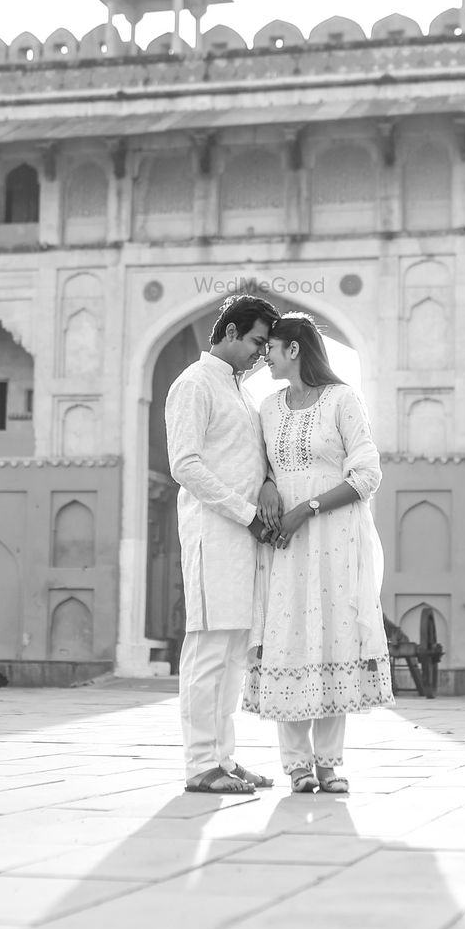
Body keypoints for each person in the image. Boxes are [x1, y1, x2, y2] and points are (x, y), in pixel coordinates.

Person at [244, 312, 393, 793]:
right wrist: (269, 485)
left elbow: (366, 476)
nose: (265, 355)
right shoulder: (267, 407)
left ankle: (328, 764)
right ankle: (297, 767)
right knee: (288, 640)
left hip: (333, 538)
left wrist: (305, 508)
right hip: (284, 544)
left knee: (331, 640)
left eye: (272, 347)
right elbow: (263, 464)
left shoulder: (343, 400)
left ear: (294, 350)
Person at [165, 294, 281, 795]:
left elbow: (250, 457)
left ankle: (223, 760)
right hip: (215, 533)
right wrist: (246, 513)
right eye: (256, 341)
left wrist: (269, 487)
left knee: (235, 650)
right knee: (209, 647)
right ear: (230, 333)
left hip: (245, 534)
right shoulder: (193, 384)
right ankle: (199, 764)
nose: (261, 353)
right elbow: (186, 466)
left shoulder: (241, 390)